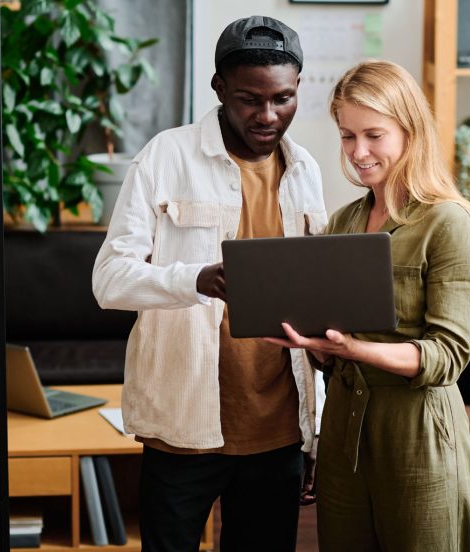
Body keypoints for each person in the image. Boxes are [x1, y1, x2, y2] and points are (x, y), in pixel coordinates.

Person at [91, 15, 326, 552]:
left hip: (280, 430)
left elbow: (316, 306)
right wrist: (195, 278)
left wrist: (318, 431)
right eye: (249, 99)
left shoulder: (307, 171)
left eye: (283, 99)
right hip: (184, 425)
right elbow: (109, 279)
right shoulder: (164, 157)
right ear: (219, 87)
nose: (268, 115)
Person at [266, 60, 470, 551]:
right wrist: (312, 343)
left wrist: (353, 348)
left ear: (410, 130)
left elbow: (448, 356)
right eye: (348, 136)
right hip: (345, 429)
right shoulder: (344, 221)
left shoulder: (450, 224)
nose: (359, 152)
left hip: (417, 433)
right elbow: (330, 345)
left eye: (374, 135)